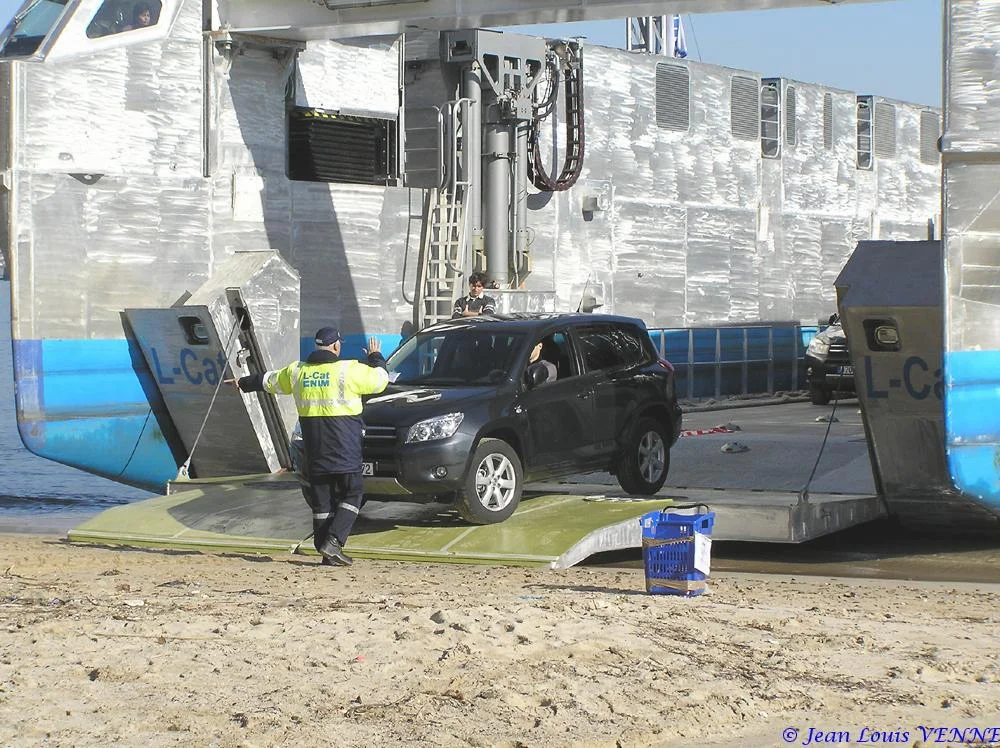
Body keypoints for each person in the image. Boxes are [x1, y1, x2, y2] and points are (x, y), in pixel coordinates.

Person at [226, 326, 389, 567]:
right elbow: (380, 380)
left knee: (322, 502)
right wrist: (375, 357)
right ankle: (334, 542)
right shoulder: (349, 370)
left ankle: (326, 552)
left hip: (314, 448)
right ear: (336, 346)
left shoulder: (297, 372)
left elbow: (269, 380)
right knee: (353, 493)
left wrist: (242, 382)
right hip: (344, 447)